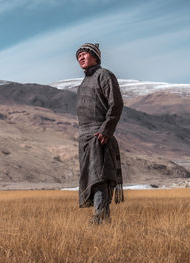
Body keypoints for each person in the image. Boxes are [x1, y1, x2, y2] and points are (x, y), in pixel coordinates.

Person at [75, 43, 124, 224]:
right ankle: (102, 218)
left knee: (99, 178)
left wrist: (106, 129)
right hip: (85, 138)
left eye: (85, 53)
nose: (81, 57)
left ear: (96, 56)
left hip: (99, 134)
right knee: (91, 178)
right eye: (78, 55)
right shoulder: (83, 84)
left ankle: (99, 217)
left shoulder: (104, 75)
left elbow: (116, 104)